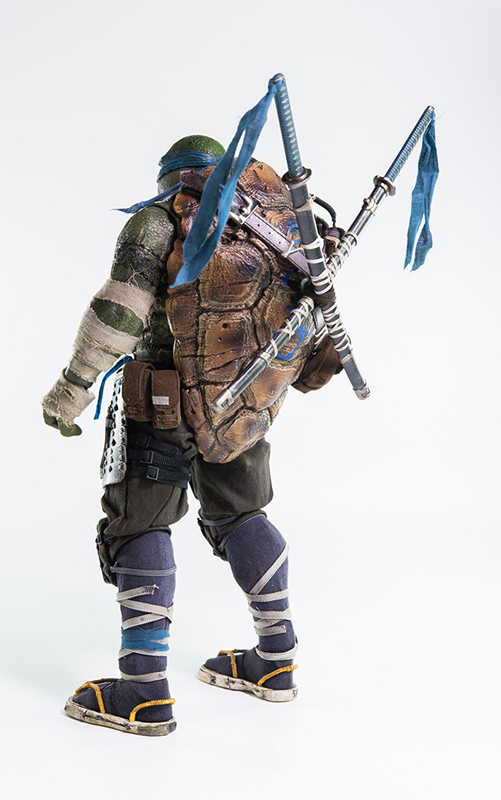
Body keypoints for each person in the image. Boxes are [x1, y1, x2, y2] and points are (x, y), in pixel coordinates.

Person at [42, 134, 341, 736]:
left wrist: (70, 390)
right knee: (243, 515)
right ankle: (276, 660)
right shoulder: (273, 227)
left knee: (141, 524)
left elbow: (119, 313)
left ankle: (143, 691)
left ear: (169, 180)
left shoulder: (157, 222)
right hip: (241, 402)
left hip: (160, 403)